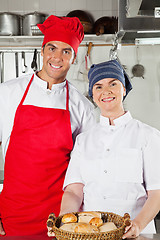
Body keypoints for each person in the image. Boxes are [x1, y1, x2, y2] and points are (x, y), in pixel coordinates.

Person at [0, 15, 95, 236]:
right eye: (52, 48)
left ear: (74, 57)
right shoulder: (7, 93)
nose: (57, 57)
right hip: (13, 213)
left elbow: (87, 169)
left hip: (61, 218)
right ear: (41, 51)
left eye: (66, 51)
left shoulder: (81, 106)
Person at [52, 60, 160, 239]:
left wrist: (138, 225)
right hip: (90, 233)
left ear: (124, 89)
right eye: (98, 86)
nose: (106, 91)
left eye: (113, 84)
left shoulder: (148, 135)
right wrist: (65, 223)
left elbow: (157, 192)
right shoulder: (83, 140)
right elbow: (73, 191)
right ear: (93, 95)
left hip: (135, 234)